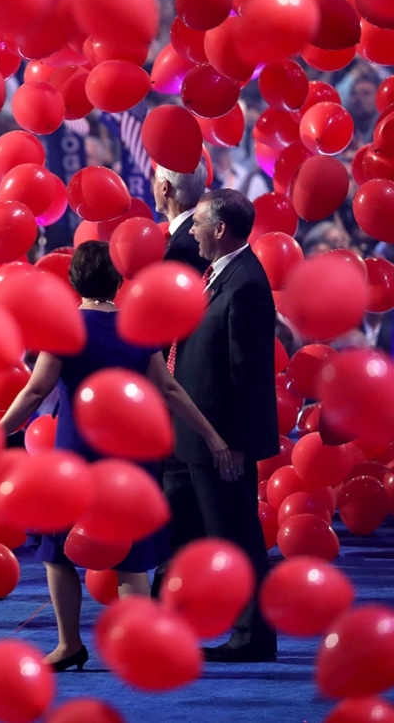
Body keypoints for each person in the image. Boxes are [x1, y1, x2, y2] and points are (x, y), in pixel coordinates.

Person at [0, 241, 231, 671]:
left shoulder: (63, 328)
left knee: (58, 552)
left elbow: (34, 391)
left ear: (73, 281)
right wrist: (212, 436)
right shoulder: (137, 328)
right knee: (132, 557)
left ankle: (69, 645)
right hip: (130, 459)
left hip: (75, 459)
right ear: (119, 279)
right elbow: (170, 389)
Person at [161, 189, 280, 663]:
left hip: (219, 443)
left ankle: (252, 637)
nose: (190, 231)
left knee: (234, 538)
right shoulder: (220, 273)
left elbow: (246, 376)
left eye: (198, 225)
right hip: (190, 436)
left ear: (220, 230)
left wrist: (229, 445)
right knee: (183, 534)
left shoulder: (247, 282)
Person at [152, 161, 211, 274]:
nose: (153, 185)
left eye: (155, 180)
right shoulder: (209, 227)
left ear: (164, 187)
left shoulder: (181, 249)